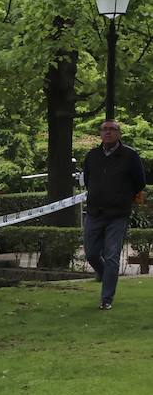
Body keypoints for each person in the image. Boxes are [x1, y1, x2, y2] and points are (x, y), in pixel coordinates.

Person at [82, 119, 146, 309]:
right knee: (91, 253)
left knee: (111, 256)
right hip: (95, 212)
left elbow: (140, 182)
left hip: (118, 214)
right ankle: (104, 274)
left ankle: (106, 298)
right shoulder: (92, 155)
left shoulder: (130, 156)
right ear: (100, 134)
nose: (108, 132)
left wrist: (122, 196)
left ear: (119, 133)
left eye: (112, 129)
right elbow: (87, 180)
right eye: (104, 129)